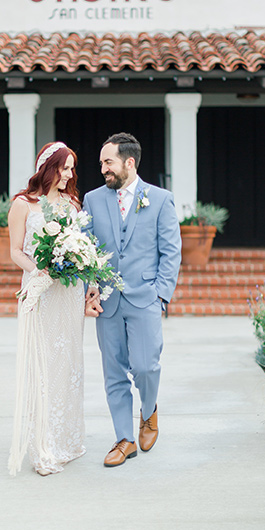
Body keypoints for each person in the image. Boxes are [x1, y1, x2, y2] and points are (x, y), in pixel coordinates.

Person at [84, 132, 181, 468]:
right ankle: (124, 439)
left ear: (129, 162)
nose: (103, 170)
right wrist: (90, 288)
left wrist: (160, 296)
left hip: (145, 299)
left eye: (107, 162)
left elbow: (171, 252)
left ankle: (149, 410)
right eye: (101, 164)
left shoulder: (161, 199)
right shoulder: (93, 200)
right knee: (113, 372)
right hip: (107, 301)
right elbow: (85, 250)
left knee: (145, 366)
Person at [8, 142, 85, 476]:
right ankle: (43, 446)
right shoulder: (23, 204)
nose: (69, 175)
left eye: (71, 168)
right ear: (49, 168)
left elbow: (80, 246)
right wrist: (38, 270)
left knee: (68, 366)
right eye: (64, 168)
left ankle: (65, 439)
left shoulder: (71, 203)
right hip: (41, 292)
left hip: (68, 294)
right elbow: (14, 251)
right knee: (44, 367)